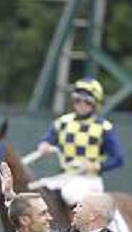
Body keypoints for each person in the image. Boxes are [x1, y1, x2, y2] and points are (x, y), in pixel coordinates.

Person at [34, 77, 124, 206]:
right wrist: (44, 145)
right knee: (36, 194)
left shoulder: (104, 127)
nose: (81, 104)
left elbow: (118, 158)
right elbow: (47, 139)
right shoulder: (62, 122)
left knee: (70, 193)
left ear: (95, 103)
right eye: (77, 99)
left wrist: (96, 166)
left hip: (89, 180)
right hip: (64, 177)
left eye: (87, 101)